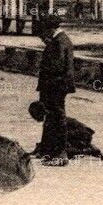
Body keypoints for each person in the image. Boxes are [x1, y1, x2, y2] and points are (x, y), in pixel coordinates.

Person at [31, 12, 76, 166]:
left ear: (48, 28)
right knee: (50, 117)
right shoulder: (59, 40)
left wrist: (47, 86)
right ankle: (47, 150)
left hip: (56, 85)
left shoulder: (59, 42)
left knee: (57, 118)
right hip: (54, 84)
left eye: (42, 31)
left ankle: (60, 154)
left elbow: (56, 67)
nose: (42, 35)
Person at [29, 100, 103, 161]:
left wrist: (42, 150)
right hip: (78, 135)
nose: (34, 118)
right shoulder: (50, 117)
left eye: (33, 115)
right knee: (55, 148)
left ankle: (89, 150)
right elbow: (46, 138)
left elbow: (52, 137)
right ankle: (84, 148)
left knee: (61, 151)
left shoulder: (52, 119)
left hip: (82, 136)